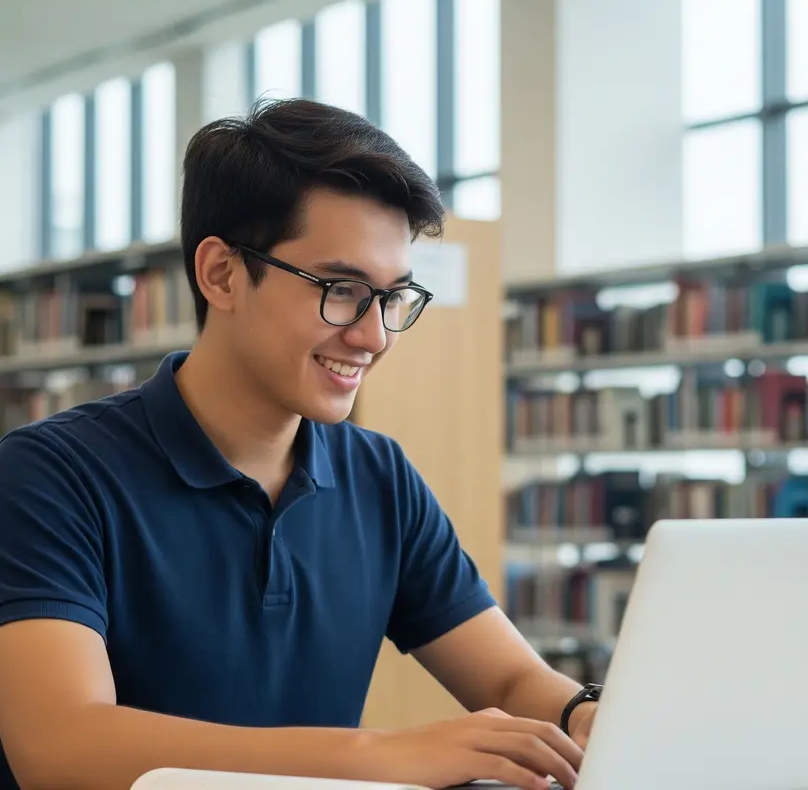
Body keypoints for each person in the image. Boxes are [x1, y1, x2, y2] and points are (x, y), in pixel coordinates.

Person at [0, 98, 600, 790]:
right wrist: (378, 755)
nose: (374, 336)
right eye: (341, 289)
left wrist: (581, 713)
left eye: (393, 296)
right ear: (221, 274)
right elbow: (60, 745)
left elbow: (508, 674)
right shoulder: (49, 475)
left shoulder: (380, 477)